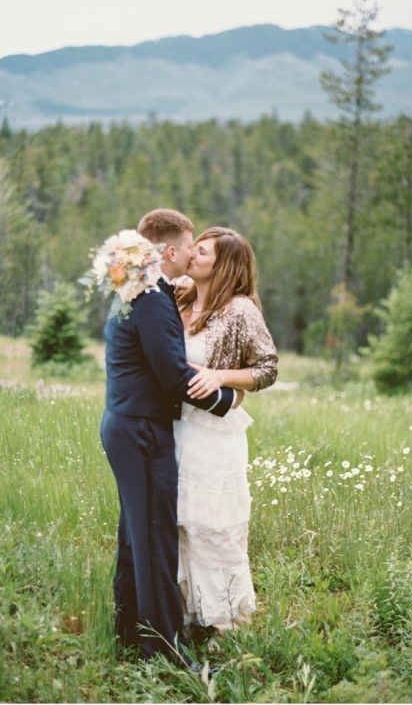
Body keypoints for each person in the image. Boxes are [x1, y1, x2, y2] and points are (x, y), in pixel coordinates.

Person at [99, 209, 241, 669]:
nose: (190, 253)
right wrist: (228, 402)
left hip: (126, 423)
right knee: (156, 542)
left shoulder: (133, 288)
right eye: (187, 244)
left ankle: (131, 637)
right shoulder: (154, 299)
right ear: (170, 250)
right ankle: (166, 656)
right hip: (142, 431)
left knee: (134, 539)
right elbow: (173, 376)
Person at [173, 226, 278, 638]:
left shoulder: (239, 309)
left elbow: (267, 368)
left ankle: (224, 624)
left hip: (213, 433)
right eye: (192, 247)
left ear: (225, 265)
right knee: (179, 524)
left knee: (211, 528)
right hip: (175, 428)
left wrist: (220, 376)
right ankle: (184, 617)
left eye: (201, 251)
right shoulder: (180, 295)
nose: (192, 254)